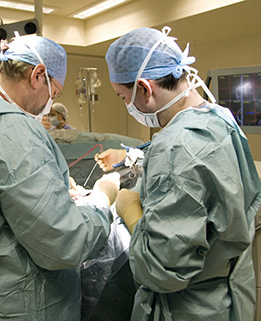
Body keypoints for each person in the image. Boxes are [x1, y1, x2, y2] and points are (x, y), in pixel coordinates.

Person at [0, 35, 119, 321]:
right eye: (54, 91)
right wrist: (103, 197)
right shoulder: (14, 130)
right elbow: (64, 243)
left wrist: (44, 185)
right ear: (37, 75)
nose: (51, 101)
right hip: (12, 304)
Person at [97, 26, 261, 320]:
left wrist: (130, 210)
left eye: (123, 97)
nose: (127, 105)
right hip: (228, 295)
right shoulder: (221, 118)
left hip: (189, 307)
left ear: (145, 89)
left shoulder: (175, 147)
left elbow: (161, 270)